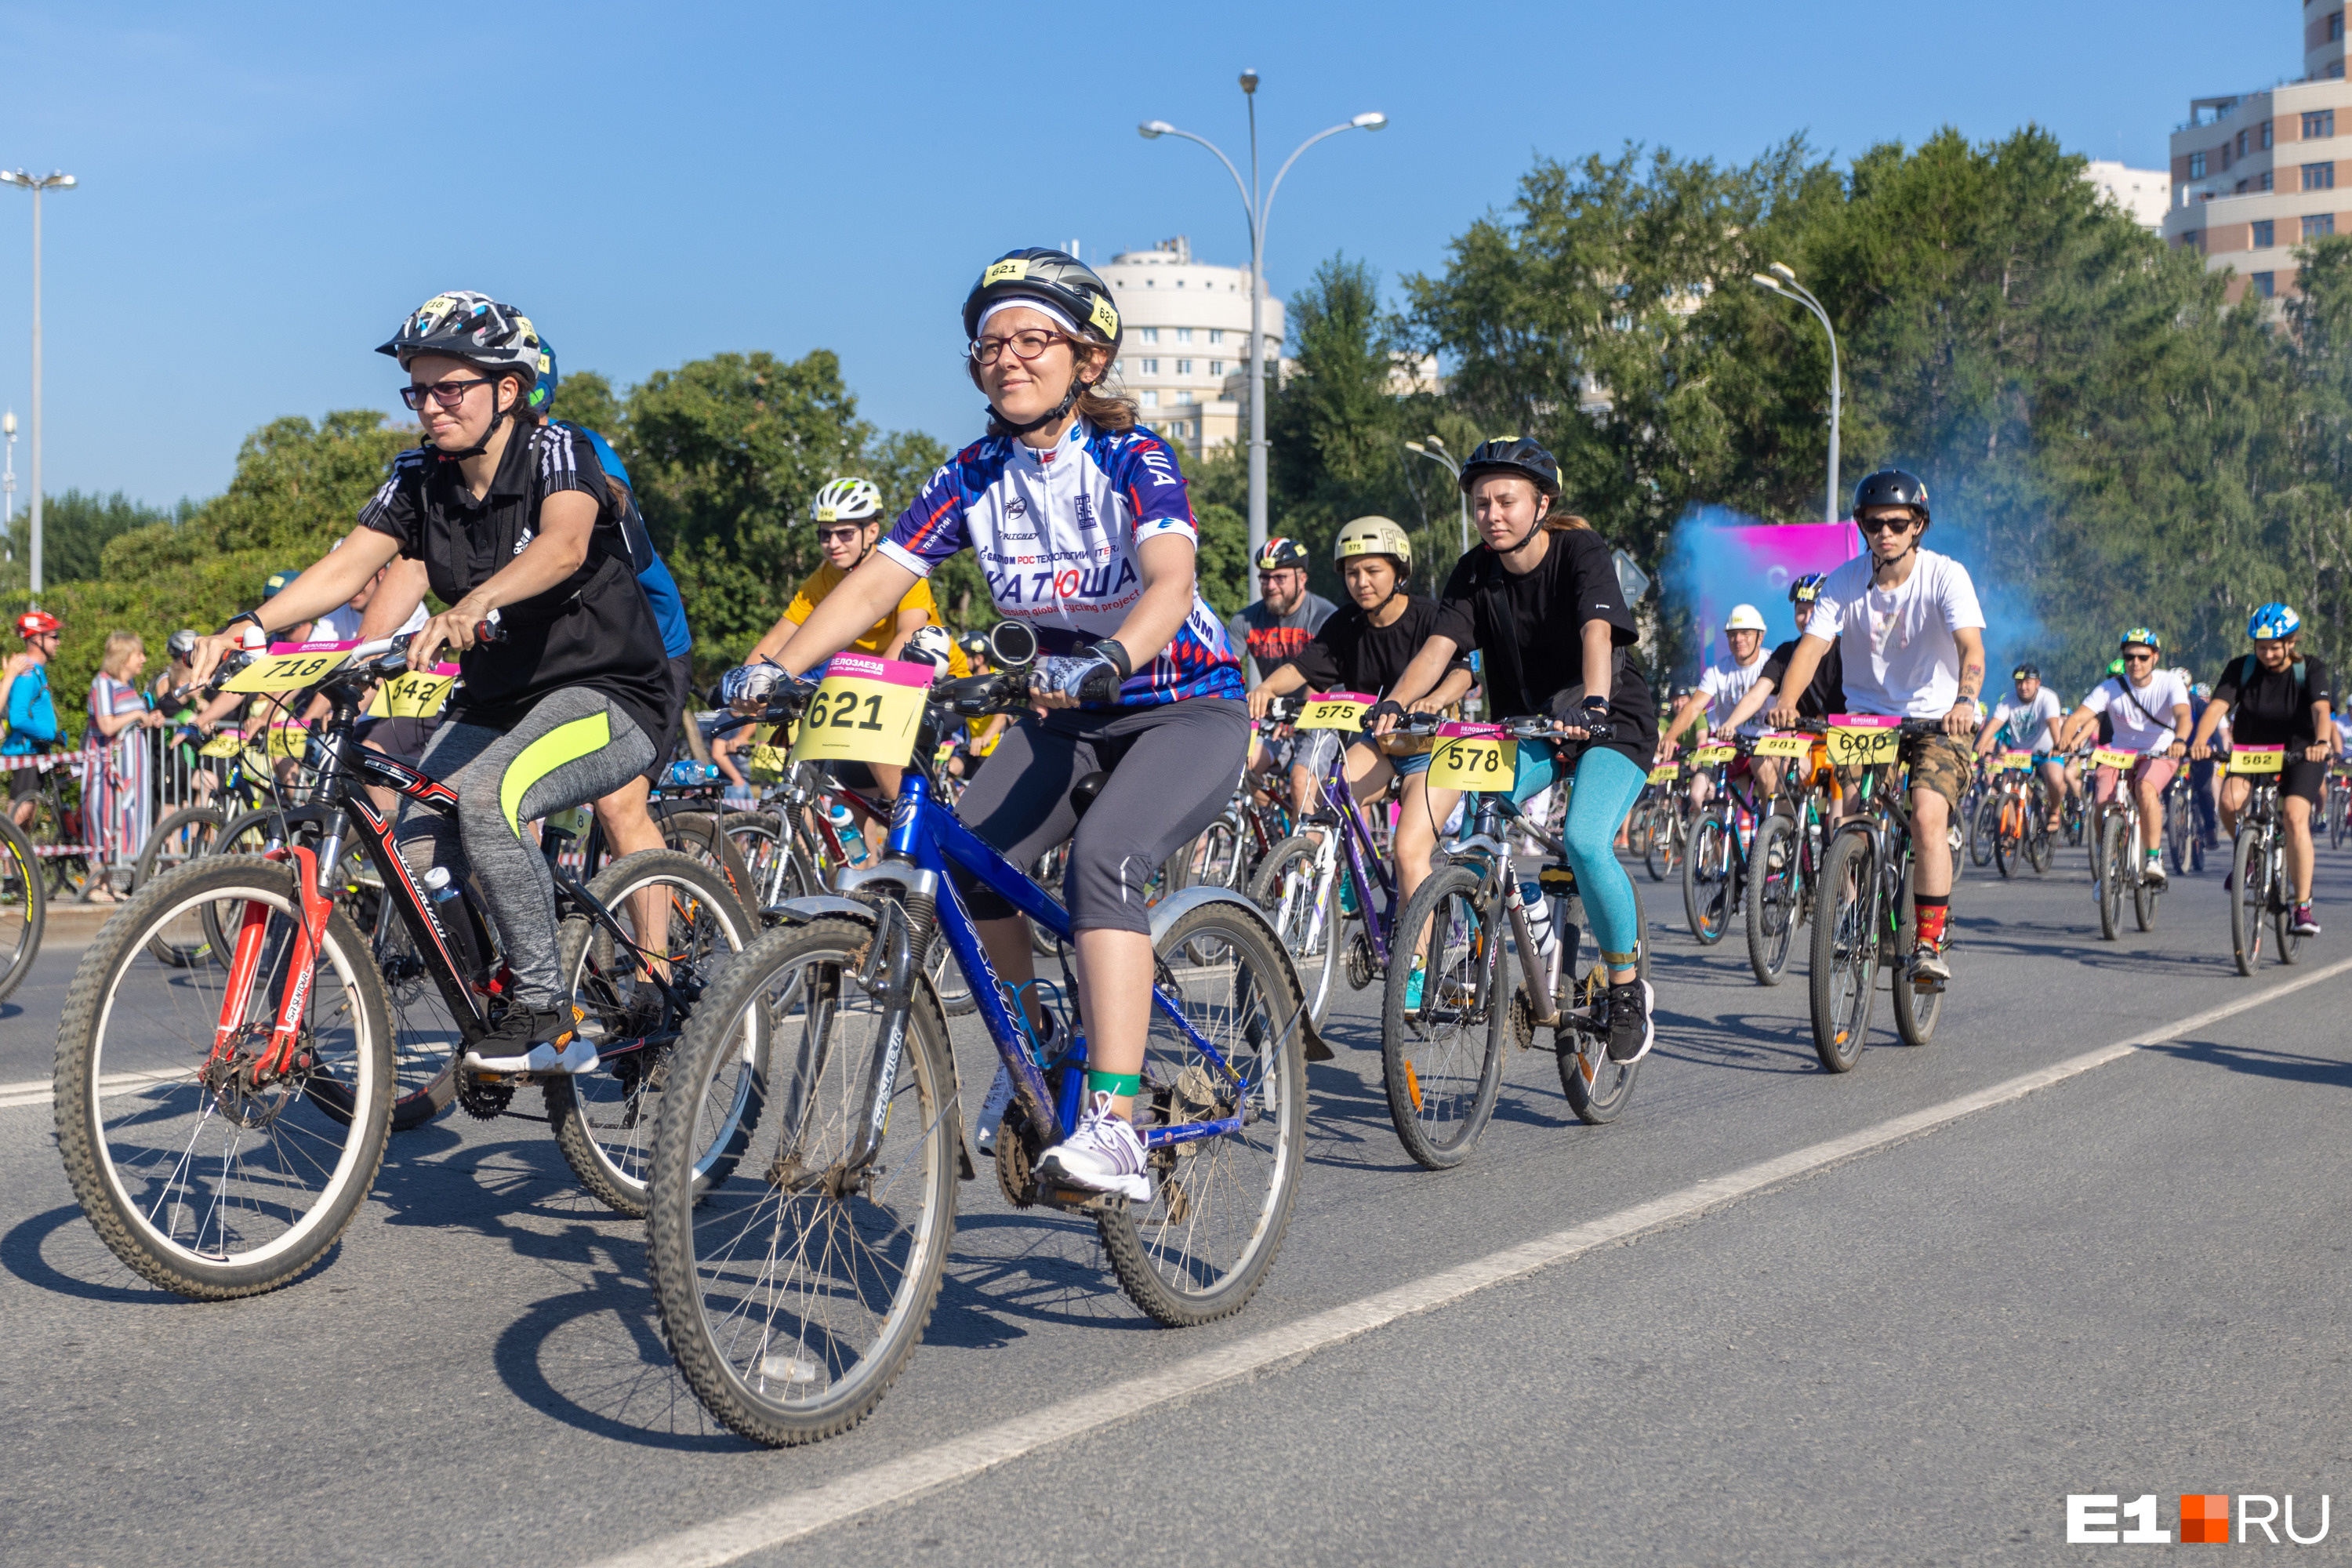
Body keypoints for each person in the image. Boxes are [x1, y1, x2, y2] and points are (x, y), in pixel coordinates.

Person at [727, 247, 1248, 1200]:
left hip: (1181, 703)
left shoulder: (1133, 456)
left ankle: (1118, 1124)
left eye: (1032, 339)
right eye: (988, 344)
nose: (1006, 357)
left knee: (1106, 861)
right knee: (967, 861)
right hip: (1061, 716)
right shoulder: (972, 474)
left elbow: (1170, 581)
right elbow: (872, 585)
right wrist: (774, 668)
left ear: (1087, 359)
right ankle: (1040, 1044)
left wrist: (1113, 657)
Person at [190, 289, 672, 1075]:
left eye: (450, 387)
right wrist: (251, 625)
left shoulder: (558, 451)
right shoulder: (417, 477)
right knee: (412, 845)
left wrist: (475, 602)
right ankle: (493, 987)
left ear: (506, 390)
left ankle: (546, 1012)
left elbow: (563, 544)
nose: (430, 404)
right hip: (500, 699)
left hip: (610, 691)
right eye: (418, 388)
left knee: (488, 800)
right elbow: (349, 564)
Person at [1370, 437, 1661, 1062]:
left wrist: (1596, 705)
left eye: (1506, 501)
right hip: (1528, 726)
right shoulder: (1474, 570)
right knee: (1476, 814)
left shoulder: (1579, 550)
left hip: (1611, 720)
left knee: (1584, 840)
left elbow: (1596, 630)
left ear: (1542, 503)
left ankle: (1625, 985)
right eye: (1481, 504)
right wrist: (1393, 702)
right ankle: (1524, 922)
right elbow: (1439, 648)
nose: (1492, 516)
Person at [1766, 470, 1986, 985]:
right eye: (1872, 523)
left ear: (1918, 527)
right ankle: (1855, 912)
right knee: (1848, 814)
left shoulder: (1945, 576)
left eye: (1896, 523)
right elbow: (1812, 647)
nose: (1883, 532)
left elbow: (1971, 648)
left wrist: (1966, 699)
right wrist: (1786, 701)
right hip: (1867, 718)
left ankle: (1929, 940)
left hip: (1937, 718)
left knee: (1928, 816)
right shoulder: (1844, 580)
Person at [731, 476, 941, 857]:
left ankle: (921, 849)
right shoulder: (823, 579)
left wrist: (872, 683)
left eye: (844, 533)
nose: (832, 544)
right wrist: (743, 684)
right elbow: (778, 639)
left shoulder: (901, 570)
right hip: (860, 695)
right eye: (824, 534)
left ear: (872, 530)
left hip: (926, 681)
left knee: (889, 784)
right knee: (847, 817)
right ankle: (856, 894)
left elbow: (909, 632)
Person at [1244, 516, 1472, 826]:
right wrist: (1266, 689)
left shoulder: (1430, 616)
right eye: (1352, 573)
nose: (1361, 582)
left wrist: (1436, 699)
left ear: (1399, 572)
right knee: (1330, 801)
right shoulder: (1344, 623)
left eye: (1373, 571)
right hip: (1378, 741)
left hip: (1429, 744)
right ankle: (1321, 871)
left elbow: (1461, 673)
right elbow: (1302, 667)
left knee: (1407, 850)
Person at [2190, 602, 2336, 936]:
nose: (2267, 654)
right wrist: (2200, 740)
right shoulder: (2241, 668)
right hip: (2252, 750)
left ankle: (2302, 907)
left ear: (2291, 642)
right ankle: (2250, 859)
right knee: (2227, 803)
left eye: (2274, 647)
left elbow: (2321, 711)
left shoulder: (2310, 669)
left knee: (2295, 818)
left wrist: (2322, 744)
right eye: (2260, 647)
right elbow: (2217, 708)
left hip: (2302, 753)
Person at [2054, 629, 2190, 890]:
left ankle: (2153, 859)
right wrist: (2065, 740)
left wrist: (2180, 741)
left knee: (2145, 789)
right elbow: (2077, 718)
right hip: (2117, 753)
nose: (2135, 663)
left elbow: (2183, 716)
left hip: (2159, 751)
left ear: (2155, 658)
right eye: (2130, 657)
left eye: (2142, 657)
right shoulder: (2110, 687)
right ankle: (2108, 859)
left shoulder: (2169, 683)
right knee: (2101, 802)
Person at [1714, 572, 1848, 807]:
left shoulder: (1848, 649)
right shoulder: (1786, 652)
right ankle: (1778, 831)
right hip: (1803, 743)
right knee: (1764, 764)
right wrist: (1730, 724)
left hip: (1842, 742)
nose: (1807, 619)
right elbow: (1757, 694)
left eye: (1814, 610)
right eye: (1800, 611)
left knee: (1839, 819)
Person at [1660, 602, 1769, 808]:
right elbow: (1693, 707)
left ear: (1760, 636)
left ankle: (1771, 830)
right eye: (1732, 634)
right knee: (1721, 810)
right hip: (1731, 749)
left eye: (1745, 633)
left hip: (1763, 747)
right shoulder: (1718, 671)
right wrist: (1671, 736)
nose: (1738, 639)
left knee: (1766, 782)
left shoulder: (1770, 663)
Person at [83, 632, 166, 898]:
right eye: (138, 654)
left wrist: (148, 717)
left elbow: (133, 719)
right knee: (105, 819)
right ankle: (96, 882)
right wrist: (138, 714)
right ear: (123, 657)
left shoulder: (128, 686)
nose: (143, 659)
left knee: (121, 821)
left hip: (130, 771)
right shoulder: (103, 684)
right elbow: (107, 724)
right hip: (107, 769)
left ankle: (108, 883)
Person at [1975, 662, 2068, 826]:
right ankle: (2011, 832)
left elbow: (2053, 723)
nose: (2023, 687)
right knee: (2006, 788)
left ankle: (2054, 811)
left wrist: (2057, 745)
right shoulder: (2008, 700)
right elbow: (1995, 723)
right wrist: (1982, 743)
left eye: (2027, 682)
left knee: (2055, 779)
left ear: (2037, 683)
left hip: (2045, 752)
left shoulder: (2048, 697)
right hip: (2019, 754)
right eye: (2019, 682)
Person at [4, 611, 64, 830]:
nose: (58, 642)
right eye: (54, 636)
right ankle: (9, 866)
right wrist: (51, 736)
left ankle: (20, 866)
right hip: (27, 752)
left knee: (26, 824)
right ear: (36, 639)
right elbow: (18, 718)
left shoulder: (36, 671)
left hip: (36, 752)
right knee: (17, 827)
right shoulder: (28, 673)